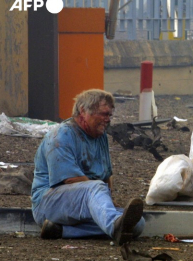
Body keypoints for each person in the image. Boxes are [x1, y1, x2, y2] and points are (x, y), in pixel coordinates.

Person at [31, 89, 145, 245]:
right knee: (95, 188)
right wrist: (102, 201)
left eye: (109, 115)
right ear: (83, 111)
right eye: (103, 114)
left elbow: (106, 176)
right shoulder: (60, 136)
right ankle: (113, 226)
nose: (108, 120)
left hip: (86, 200)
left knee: (137, 224)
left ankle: (61, 231)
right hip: (48, 203)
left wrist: (108, 201)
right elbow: (72, 180)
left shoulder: (101, 136)